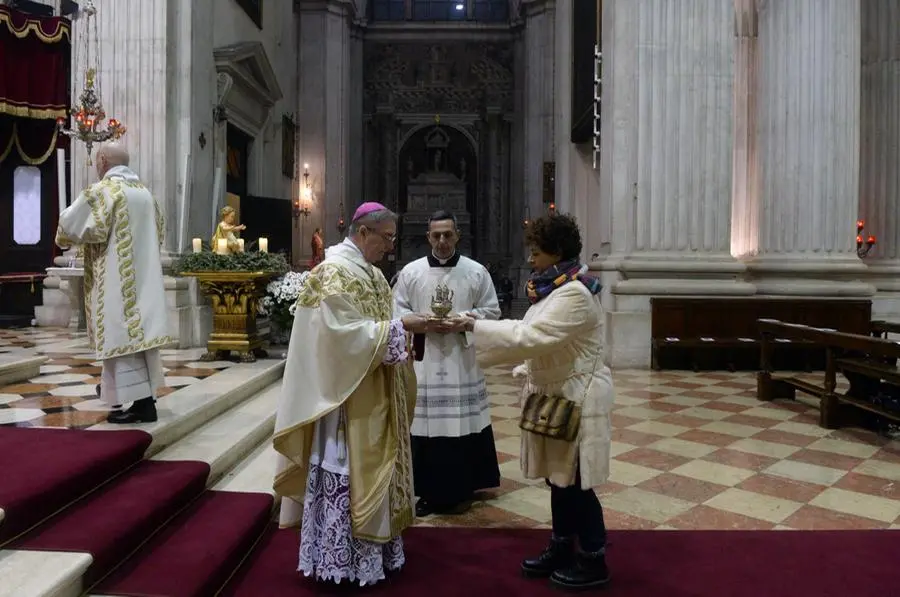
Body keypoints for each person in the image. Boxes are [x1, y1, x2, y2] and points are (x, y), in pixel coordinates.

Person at [449, 213, 613, 591]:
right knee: (559, 479)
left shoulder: (573, 293)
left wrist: (474, 325)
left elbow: (534, 335)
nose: (531, 260)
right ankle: (561, 545)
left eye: (537, 253)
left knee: (576, 480)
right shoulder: (554, 288)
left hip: (578, 396)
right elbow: (545, 339)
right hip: (556, 392)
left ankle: (593, 557)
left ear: (556, 254)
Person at [272, 202, 430, 587]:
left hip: (373, 390)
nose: (390, 246)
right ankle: (340, 561)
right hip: (342, 399)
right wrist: (398, 328)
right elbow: (335, 338)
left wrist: (398, 330)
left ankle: (374, 554)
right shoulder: (332, 272)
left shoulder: (373, 275)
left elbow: (374, 325)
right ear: (363, 232)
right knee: (347, 468)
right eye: (387, 237)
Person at [393, 210, 502, 517]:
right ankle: (426, 491)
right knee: (426, 426)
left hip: (461, 361)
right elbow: (395, 312)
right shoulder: (411, 273)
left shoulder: (476, 272)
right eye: (436, 235)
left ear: (458, 235)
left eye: (448, 235)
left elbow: (492, 311)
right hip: (425, 361)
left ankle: (463, 488)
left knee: (459, 424)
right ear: (428, 237)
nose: (442, 241)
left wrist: (464, 321)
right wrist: (421, 323)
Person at [55, 142, 173, 424]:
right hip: (143, 278)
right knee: (137, 340)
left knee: (122, 337)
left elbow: (70, 225)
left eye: (98, 159)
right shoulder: (146, 195)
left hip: (117, 280)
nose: (97, 165)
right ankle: (126, 395)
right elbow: (158, 234)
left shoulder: (106, 191)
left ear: (104, 160)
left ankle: (142, 404)